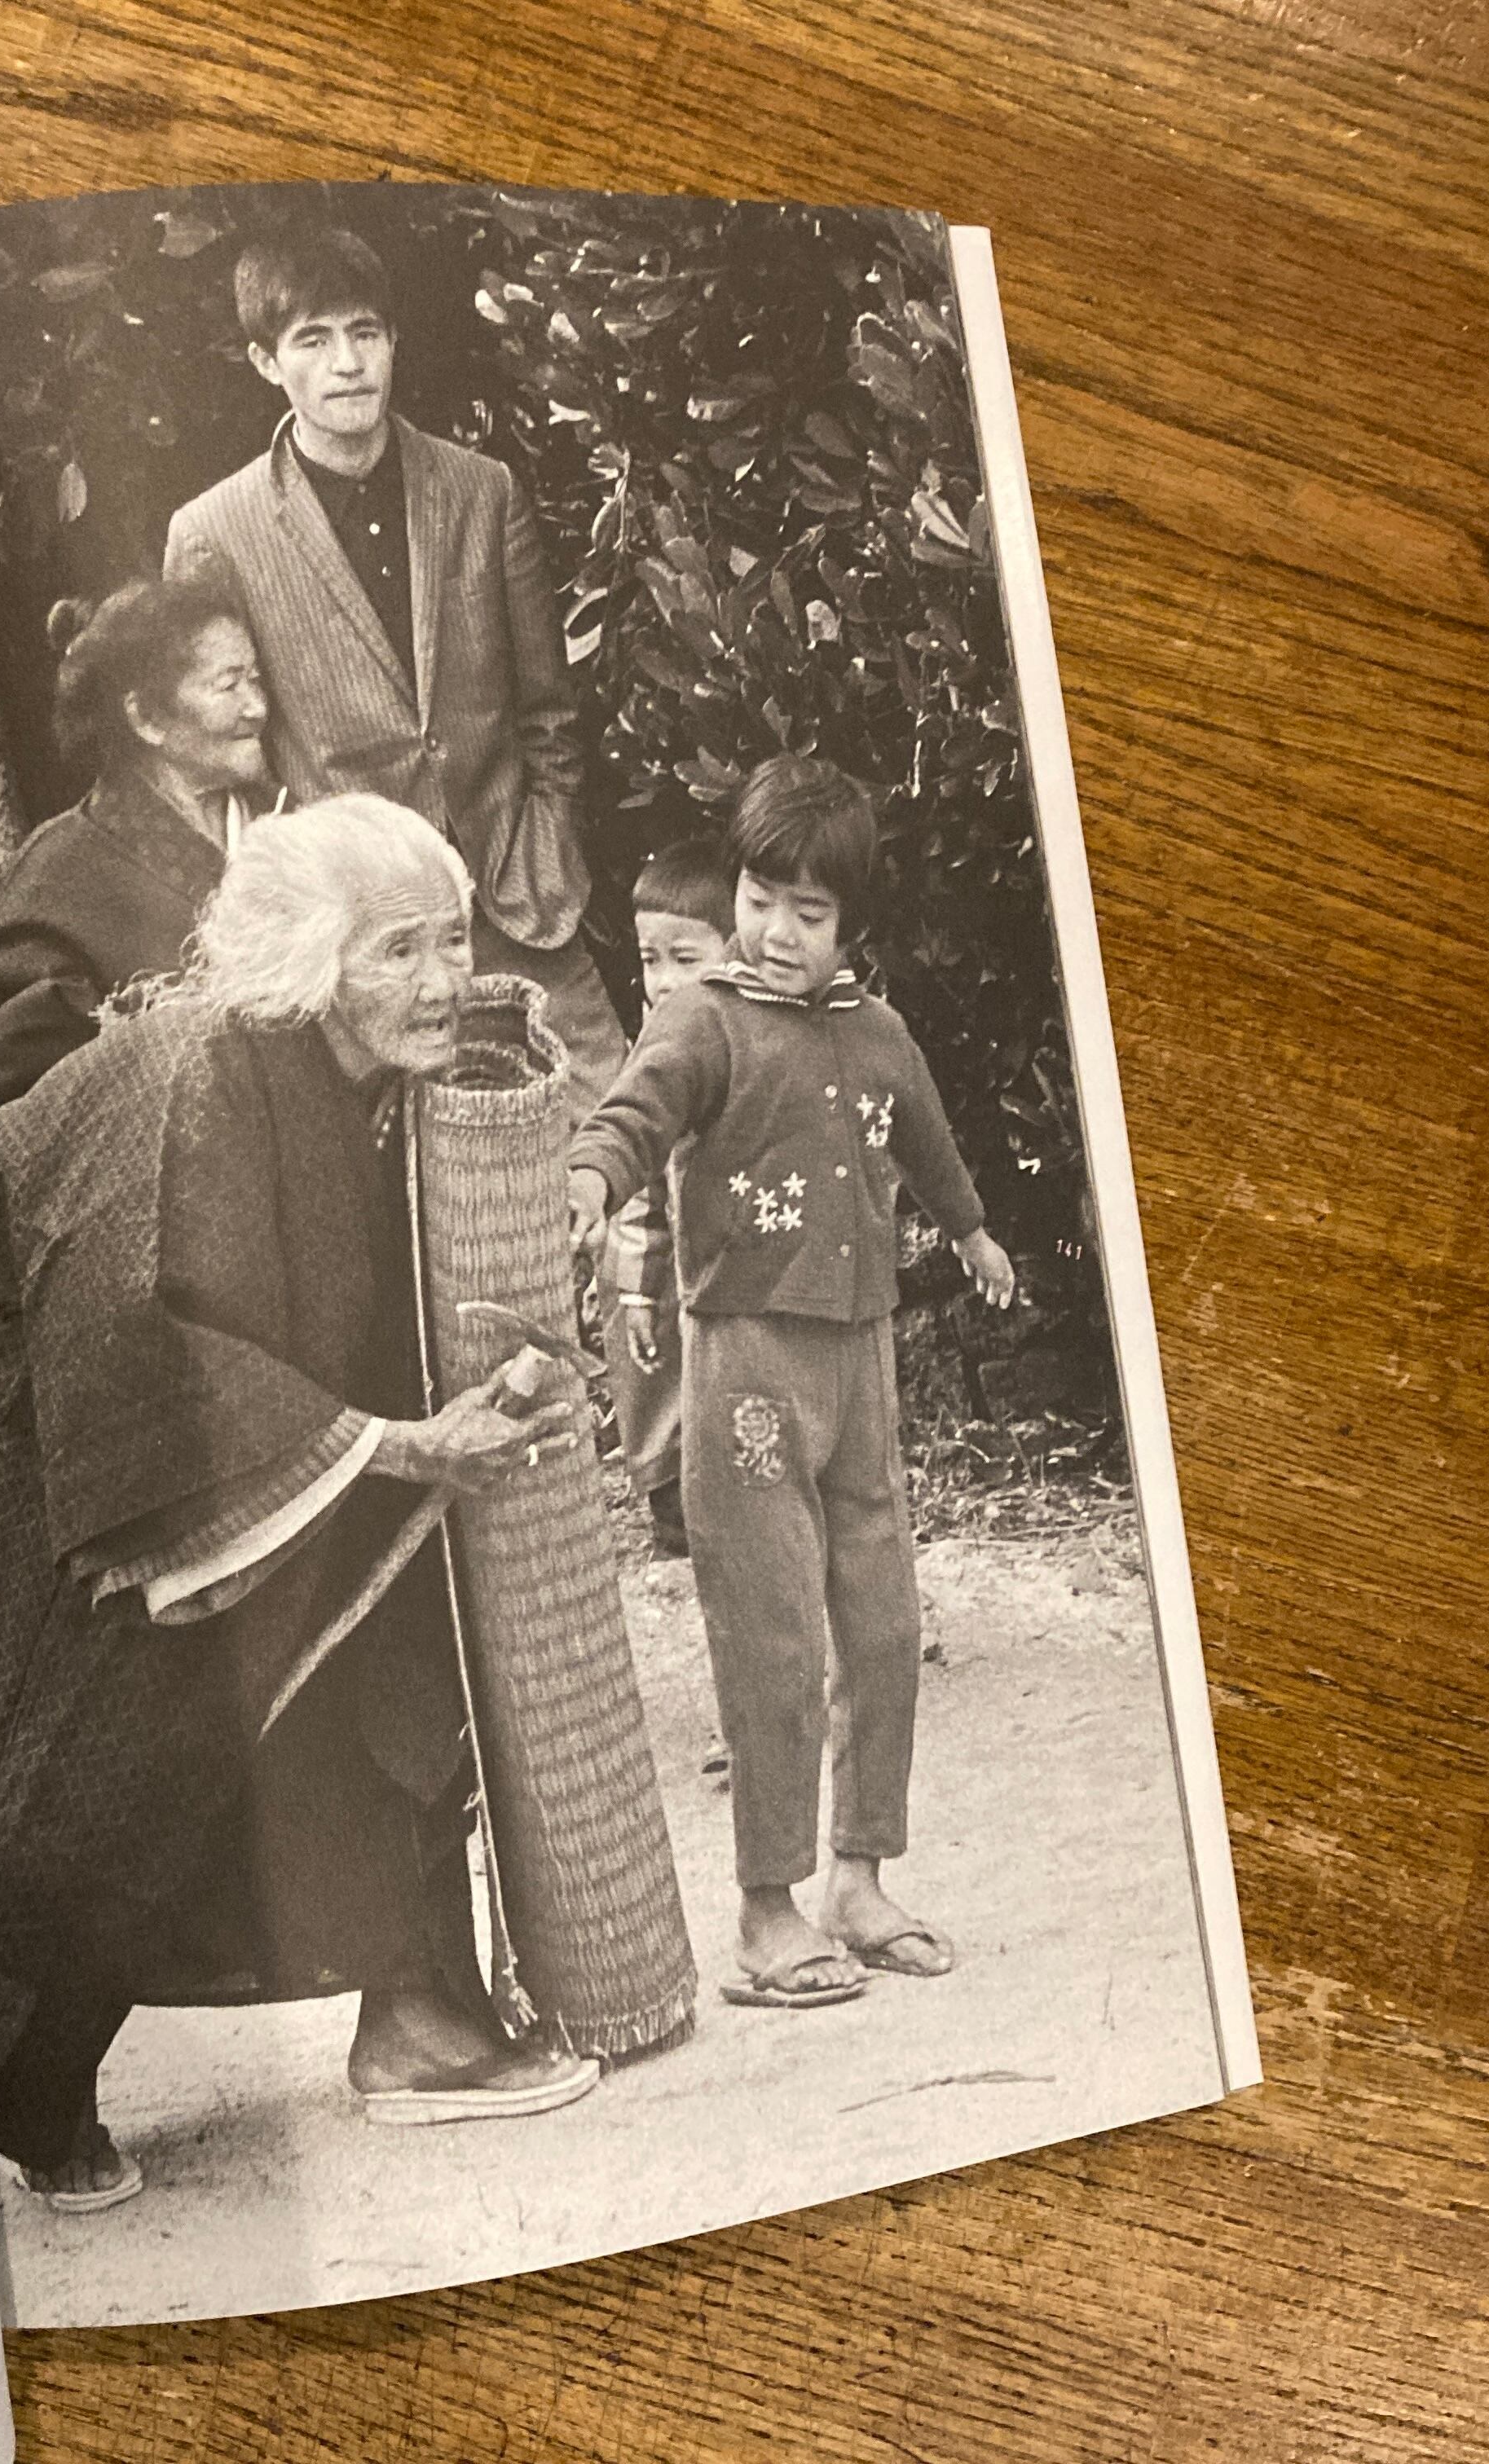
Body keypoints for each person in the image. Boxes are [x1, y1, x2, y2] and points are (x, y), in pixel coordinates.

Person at [0, 796, 599, 2215]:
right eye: (398, 949)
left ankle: (412, 2010)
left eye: (453, 941)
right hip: (91, 1444)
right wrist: (398, 1443)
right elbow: (144, 1344)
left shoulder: (365, 1076)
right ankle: (34, 2086)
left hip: (284, 1434)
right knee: (110, 1747)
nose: (442, 979)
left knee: (381, 1648)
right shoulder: (200, 1080)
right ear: (311, 956)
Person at [567, 755, 1017, 2011]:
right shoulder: (702, 1020)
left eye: (806, 914)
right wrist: (592, 1178)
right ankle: (767, 1913)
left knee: (880, 1627)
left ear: (848, 924)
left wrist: (974, 1231)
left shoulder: (879, 1033)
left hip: (860, 1364)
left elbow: (928, 1141)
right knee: (770, 1638)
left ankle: (859, 1883)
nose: (773, 931)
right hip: (748, 1371)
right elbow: (635, 1111)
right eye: (759, 900)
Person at [162, 227, 627, 1111]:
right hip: (358, 944)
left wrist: (547, 842)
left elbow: (549, 711)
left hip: (515, 896)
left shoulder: (482, 491)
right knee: (412, 1181)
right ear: (265, 362)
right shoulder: (213, 534)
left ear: (393, 341)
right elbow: (218, 762)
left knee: (618, 1131)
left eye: (365, 333)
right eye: (313, 340)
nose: (348, 364)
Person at [0, 576, 272, 1166]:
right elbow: (11, 1134)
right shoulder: (53, 887)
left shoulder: (287, 828)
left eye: (256, 678)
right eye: (229, 685)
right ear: (146, 718)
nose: (259, 708)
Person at [604, 847, 736, 1559]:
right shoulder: (654, 1047)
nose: (663, 981)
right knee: (655, 1357)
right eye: (650, 960)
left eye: (686, 959)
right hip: (672, 1255)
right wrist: (635, 1285)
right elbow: (640, 1184)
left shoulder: (759, 1037)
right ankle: (669, 1496)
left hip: (745, 1257)